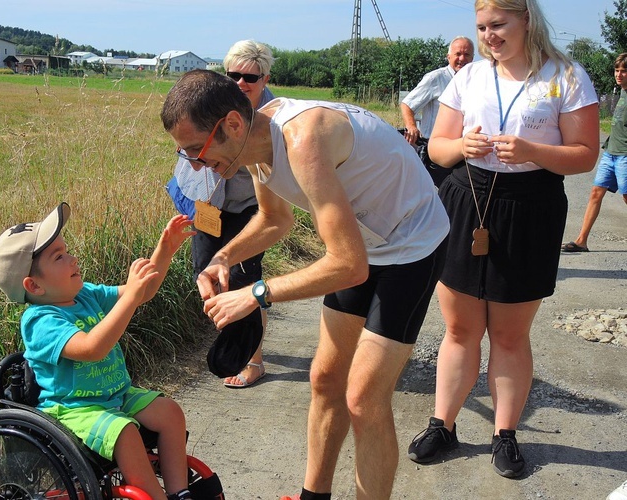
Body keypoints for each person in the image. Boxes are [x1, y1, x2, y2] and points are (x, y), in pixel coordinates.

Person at [161, 69, 450, 500]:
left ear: (233, 124)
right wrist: (222, 257)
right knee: (325, 379)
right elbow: (274, 219)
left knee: (363, 400)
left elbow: (348, 266)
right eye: (186, 156)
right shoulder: (253, 147)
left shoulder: (301, 139)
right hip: (362, 244)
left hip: (412, 246)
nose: (197, 166)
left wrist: (256, 293)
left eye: (197, 151)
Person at [406, 0, 600, 479]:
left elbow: (584, 156)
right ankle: (443, 424)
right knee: (458, 329)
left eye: (498, 25)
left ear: (526, 21)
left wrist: (533, 150)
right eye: (481, 27)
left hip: (530, 205)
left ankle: (505, 433)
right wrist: (460, 147)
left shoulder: (566, 76)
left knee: (510, 335)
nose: (489, 35)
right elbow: (438, 146)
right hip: (467, 196)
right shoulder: (469, 76)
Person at [0, 202, 196, 500]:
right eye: (59, 256)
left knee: (171, 413)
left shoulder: (84, 294)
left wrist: (165, 249)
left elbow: (143, 293)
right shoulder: (40, 322)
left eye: (67, 250)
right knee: (124, 433)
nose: (73, 259)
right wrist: (131, 296)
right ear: (34, 285)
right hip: (75, 409)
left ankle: (179, 492)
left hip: (117, 394)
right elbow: (92, 348)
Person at [168, 40, 275, 388]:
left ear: (265, 78)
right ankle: (231, 342)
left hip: (248, 209)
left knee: (246, 280)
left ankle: (253, 360)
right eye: (234, 75)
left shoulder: (271, 120)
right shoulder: (211, 108)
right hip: (208, 205)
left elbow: (275, 201)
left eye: (251, 77)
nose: (242, 83)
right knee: (207, 272)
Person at [562, 52, 627, 253]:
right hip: (611, 153)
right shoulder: (622, 92)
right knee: (595, 193)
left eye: (624, 71)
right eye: (617, 70)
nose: (619, 75)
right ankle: (582, 240)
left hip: (625, 154)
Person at [401, 35, 475, 145]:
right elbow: (407, 104)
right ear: (448, 56)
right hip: (433, 148)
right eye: (458, 54)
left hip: (460, 149)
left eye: (467, 54)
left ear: (472, 58)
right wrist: (411, 126)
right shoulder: (436, 78)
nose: (462, 59)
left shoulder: (476, 81)